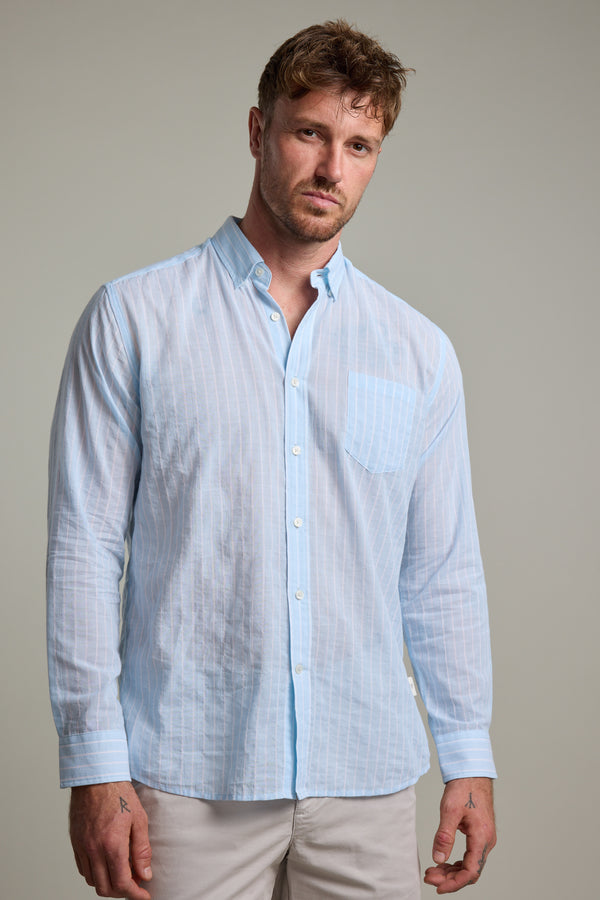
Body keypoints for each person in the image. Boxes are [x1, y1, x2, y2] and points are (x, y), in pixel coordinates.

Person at [47, 19, 497, 900]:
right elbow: (84, 550)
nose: (333, 168)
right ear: (259, 132)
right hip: (187, 777)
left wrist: (468, 755)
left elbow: (440, 570)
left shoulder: (418, 351)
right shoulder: (134, 321)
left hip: (366, 776)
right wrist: (95, 766)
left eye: (360, 145)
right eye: (310, 133)